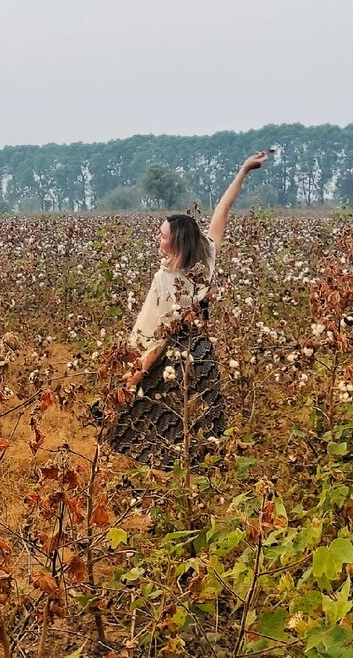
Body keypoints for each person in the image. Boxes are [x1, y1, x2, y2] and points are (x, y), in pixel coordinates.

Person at [104, 151, 268, 468]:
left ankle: (175, 472)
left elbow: (154, 336)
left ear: (175, 244)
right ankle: (210, 469)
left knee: (154, 413)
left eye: (162, 235)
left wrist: (129, 379)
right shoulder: (205, 257)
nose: (158, 237)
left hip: (171, 355)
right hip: (202, 352)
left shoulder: (166, 281)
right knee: (206, 413)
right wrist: (243, 170)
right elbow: (222, 210)